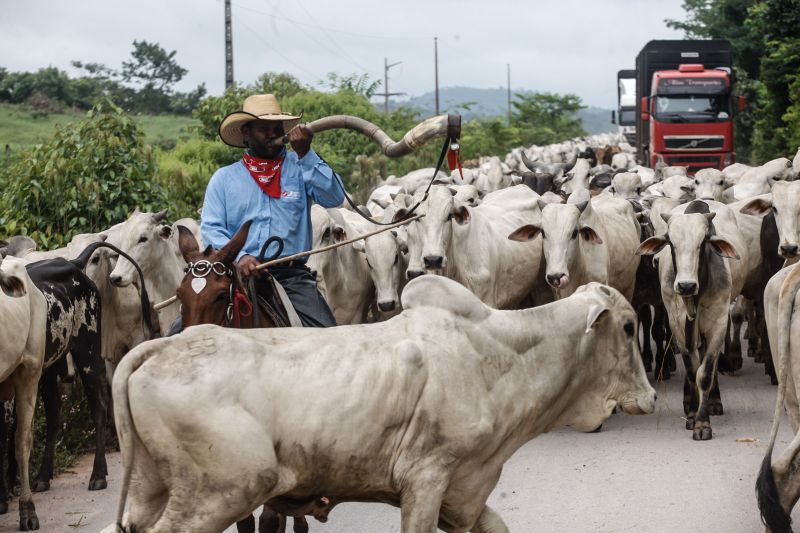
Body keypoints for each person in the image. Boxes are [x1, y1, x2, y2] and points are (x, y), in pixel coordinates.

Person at [169, 93, 342, 334]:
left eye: (277, 128)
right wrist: (241, 257)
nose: (272, 134)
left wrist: (306, 154)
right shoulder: (224, 178)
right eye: (264, 129)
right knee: (177, 337)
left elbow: (334, 197)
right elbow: (212, 228)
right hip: (231, 275)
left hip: (290, 276)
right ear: (246, 134)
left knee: (327, 338)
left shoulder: (300, 167)